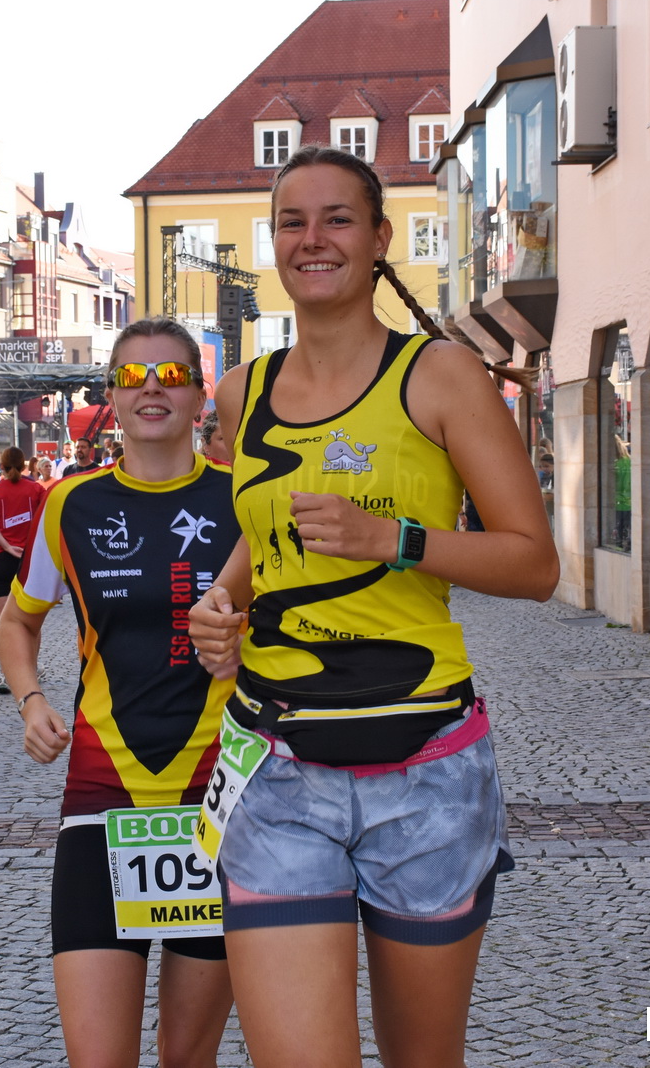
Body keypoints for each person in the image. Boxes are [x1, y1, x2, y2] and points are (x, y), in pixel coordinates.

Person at [188, 144, 559, 1067]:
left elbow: (534, 563)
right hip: (276, 767)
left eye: (337, 219)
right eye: (292, 221)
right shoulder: (243, 393)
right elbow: (263, 529)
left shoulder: (439, 376)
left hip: (424, 769)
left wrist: (394, 539)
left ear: (381, 238)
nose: (313, 239)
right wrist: (220, 602)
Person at [0, 317, 240, 1067]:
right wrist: (32, 701)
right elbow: (16, 622)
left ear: (201, 395)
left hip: (219, 800)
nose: (153, 389)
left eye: (172, 374)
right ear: (111, 395)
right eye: (133, 378)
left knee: (185, 1058)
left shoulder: (247, 502)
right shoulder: (72, 505)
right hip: (103, 794)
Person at [0, 448, 45, 621]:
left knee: (5, 623)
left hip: (2, 559)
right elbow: (46, 518)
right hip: (29, 560)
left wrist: (6, 545)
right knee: (31, 624)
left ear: (1, 466)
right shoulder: (36, 489)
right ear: (24, 465)